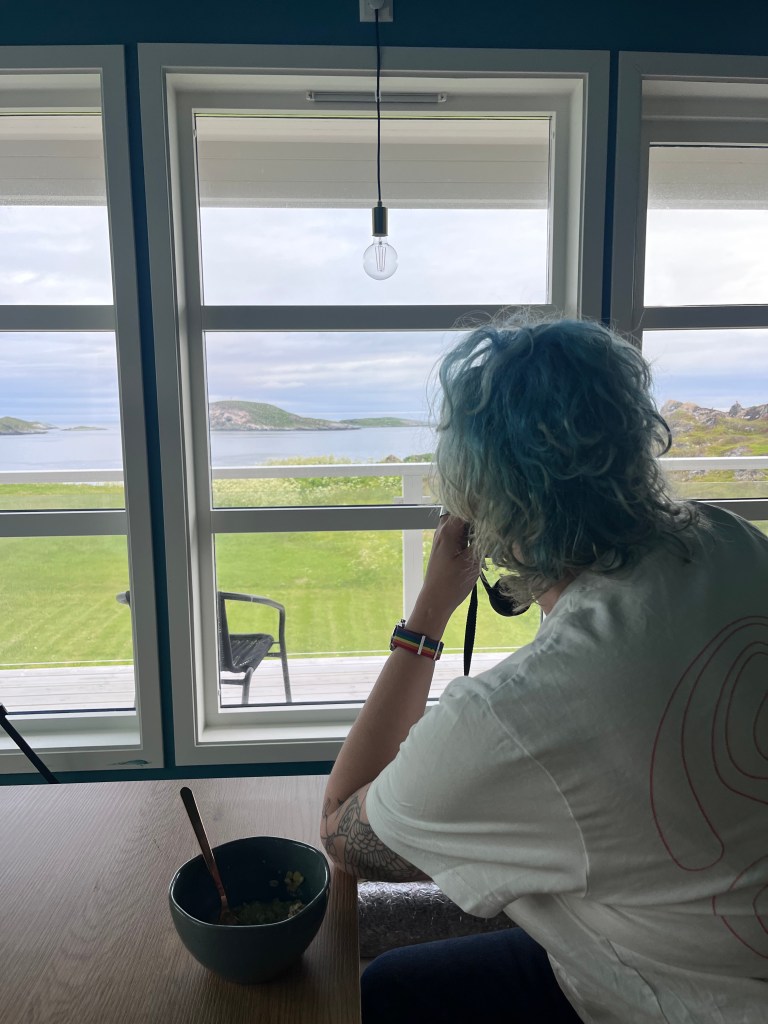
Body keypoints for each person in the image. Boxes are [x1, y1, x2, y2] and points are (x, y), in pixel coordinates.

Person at [319, 316, 768, 1024]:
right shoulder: (733, 541)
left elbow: (343, 830)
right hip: (715, 939)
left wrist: (430, 611)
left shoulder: (514, 718)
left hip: (682, 1000)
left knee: (387, 992)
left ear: (477, 506)